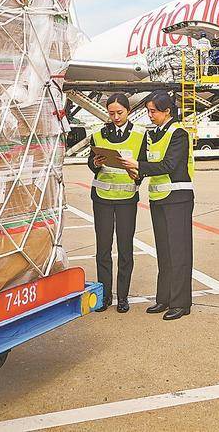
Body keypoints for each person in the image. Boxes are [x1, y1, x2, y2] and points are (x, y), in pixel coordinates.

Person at [121, 90, 194, 321]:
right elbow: (148, 163)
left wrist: (139, 166)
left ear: (167, 111)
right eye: (148, 111)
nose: (150, 115)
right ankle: (164, 298)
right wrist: (134, 173)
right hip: (159, 198)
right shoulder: (154, 134)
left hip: (178, 199)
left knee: (179, 252)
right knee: (164, 251)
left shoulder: (178, 133)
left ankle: (181, 303)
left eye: (153, 111)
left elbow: (169, 165)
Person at [87, 93, 144, 313]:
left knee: (125, 249)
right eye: (111, 113)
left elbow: (144, 165)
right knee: (103, 249)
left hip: (127, 199)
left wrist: (137, 175)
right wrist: (95, 163)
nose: (116, 117)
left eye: (119, 112)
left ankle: (123, 297)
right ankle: (105, 296)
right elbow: (91, 164)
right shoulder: (98, 135)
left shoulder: (140, 134)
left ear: (128, 111)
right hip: (102, 198)